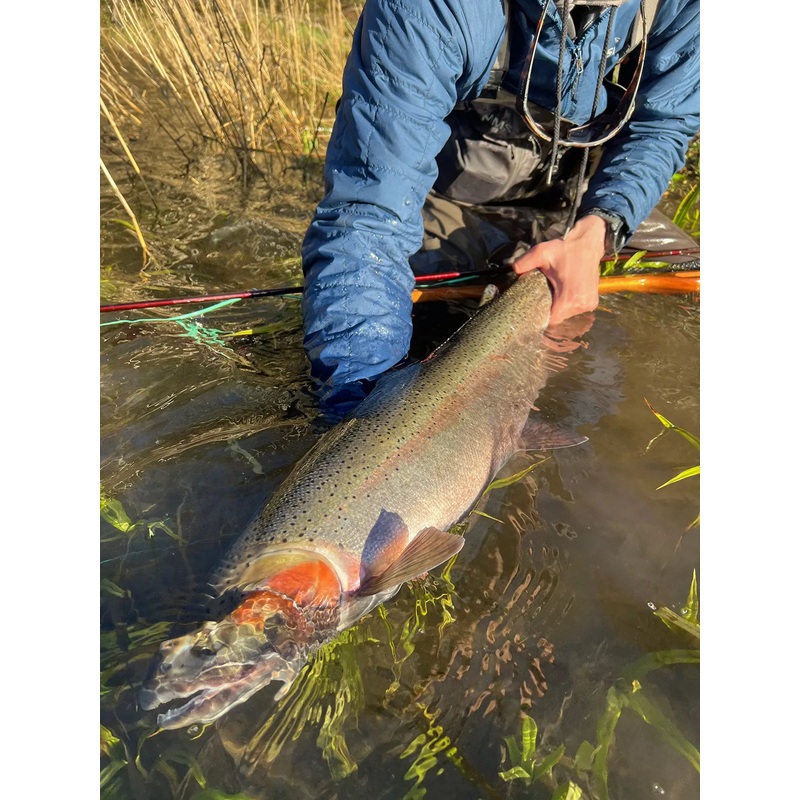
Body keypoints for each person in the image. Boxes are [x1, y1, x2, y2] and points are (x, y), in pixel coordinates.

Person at [301, 0, 700, 413]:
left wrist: (596, 232)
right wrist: (362, 407)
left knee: (688, 272)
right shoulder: (431, 9)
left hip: (583, 202)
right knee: (388, 324)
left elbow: (661, 124)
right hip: (445, 202)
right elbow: (370, 220)